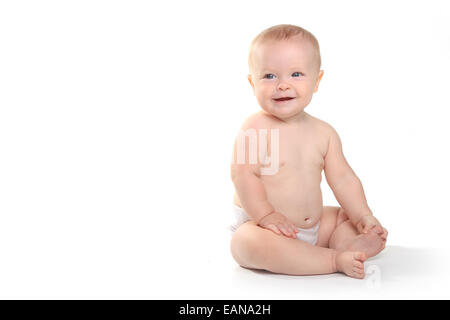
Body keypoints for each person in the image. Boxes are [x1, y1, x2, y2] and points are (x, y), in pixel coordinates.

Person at [229, 24, 388, 279]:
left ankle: (346, 245)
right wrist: (266, 216)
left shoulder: (323, 133)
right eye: (269, 76)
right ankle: (332, 259)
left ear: (317, 81)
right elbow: (243, 176)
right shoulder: (255, 129)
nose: (282, 85)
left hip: (311, 226)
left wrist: (362, 216)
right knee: (245, 241)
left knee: (341, 217)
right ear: (252, 82)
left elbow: (344, 179)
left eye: (296, 74)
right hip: (263, 226)